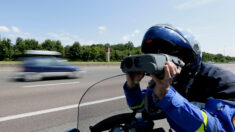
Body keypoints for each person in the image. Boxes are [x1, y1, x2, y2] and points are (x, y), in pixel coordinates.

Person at [123, 24, 235, 132]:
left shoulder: (224, 83)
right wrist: (132, 87)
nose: (164, 66)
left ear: (188, 58)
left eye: (166, 58)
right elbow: (140, 106)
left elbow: (222, 129)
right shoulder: (171, 83)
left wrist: (168, 97)